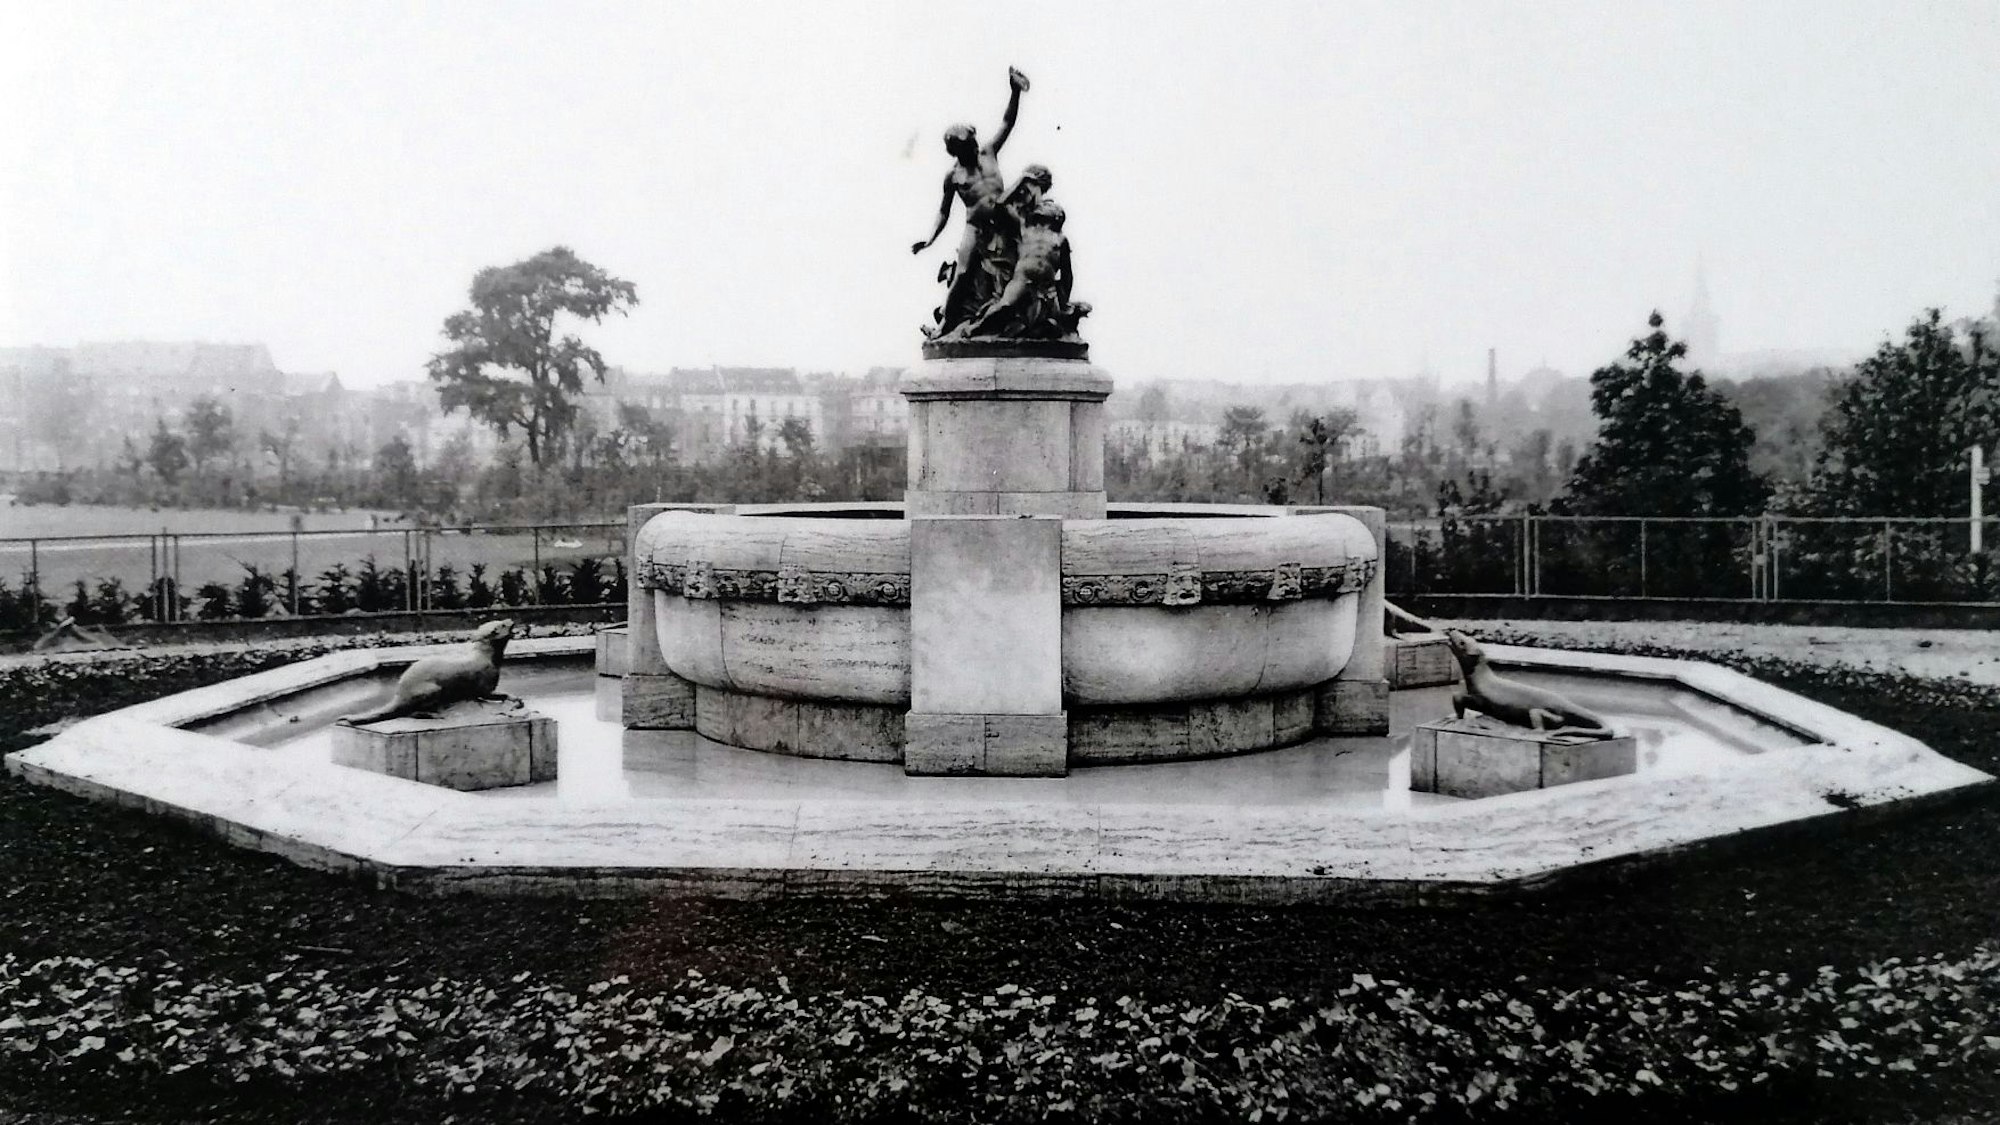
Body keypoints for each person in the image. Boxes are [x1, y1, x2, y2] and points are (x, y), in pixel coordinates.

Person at [911, 67, 1030, 337]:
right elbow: (943, 212)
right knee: (962, 273)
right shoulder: (953, 176)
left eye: (975, 143)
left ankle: (1021, 318)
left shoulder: (988, 152)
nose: (976, 148)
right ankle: (943, 325)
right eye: (969, 146)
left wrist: (1014, 92)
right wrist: (930, 239)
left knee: (1025, 257)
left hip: (1005, 218)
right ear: (958, 150)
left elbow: (1007, 123)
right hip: (975, 226)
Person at [960, 198, 1081, 339]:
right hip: (1022, 278)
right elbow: (1000, 205)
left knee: (1053, 323)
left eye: (1049, 205)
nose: (1045, 206)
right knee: (1005, 305)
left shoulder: (1060, 239)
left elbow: (1067, 274)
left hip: (1046, 286)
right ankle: (977, 327)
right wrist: (1024, 179)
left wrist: (1064, 300)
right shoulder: (1025, 230)